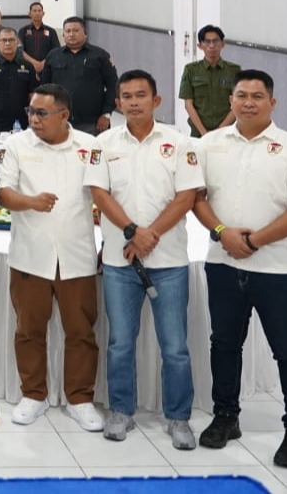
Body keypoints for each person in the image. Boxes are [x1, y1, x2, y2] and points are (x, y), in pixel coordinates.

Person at [193, 70, 287, 468]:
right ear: (230, 100)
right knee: (224, 344)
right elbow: (195, 197)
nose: (249, 102)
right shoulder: (209, 144)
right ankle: (225, 416)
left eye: (257, 96)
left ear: (272, 102)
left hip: (276, 268)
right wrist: (222, 233)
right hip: (223, 263)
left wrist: (254, 240)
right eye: (242, 95)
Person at [84, 71, 202, 448]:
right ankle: (121, 411)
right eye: (127, 96)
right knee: (120, 342)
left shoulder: (179, 142)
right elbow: (100, 194)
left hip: (169, 262)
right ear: (118, 102)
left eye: (141, 95)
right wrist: (133, 231)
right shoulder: (103, 143)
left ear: (157, 100)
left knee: (175, 346)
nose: (134, 102)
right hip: (120, 264)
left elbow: (186, 197)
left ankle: (178, 418)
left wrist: (149, 236)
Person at [0, 83, 103, 432]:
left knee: (81, 330)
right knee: (29, 329)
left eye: (42, 113)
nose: (34, 119)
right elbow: (4, 193)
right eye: (30, 111)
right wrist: (31, 202)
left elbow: (105, 195)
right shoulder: (16, 145)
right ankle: (34, 395)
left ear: (64, 115)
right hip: (30, 254)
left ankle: (80, 399)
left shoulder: (90, 146)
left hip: (77, 254)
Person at [41, 17, 117, 134]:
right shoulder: (53, 56)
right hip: (59, 120)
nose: (71, 34)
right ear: (63, 34)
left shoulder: (100, 55)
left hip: (92, 122)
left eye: (76, 30)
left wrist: (106, 114)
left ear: (85, 33)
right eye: (68, 31)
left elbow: (114, 86)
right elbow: (44, 88)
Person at [178, 24, 241, 137]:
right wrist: (203, 132)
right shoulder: (191, 70)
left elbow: (238, 103)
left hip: (226, 132)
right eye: (207, 42)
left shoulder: (234, 71)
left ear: (223, 44)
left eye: (215, 41)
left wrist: (219, 131)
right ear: (199, 45)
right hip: (199, 133)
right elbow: (188, 104)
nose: (211, 46)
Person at [0, 29, 36, 134]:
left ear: (17, 42)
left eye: (11, 40)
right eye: (4, 40)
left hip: (22, 122)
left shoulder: (28, 67)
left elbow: (33, 97)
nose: (7, 43)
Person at [18, 2, 61, 75]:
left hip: (47, 68)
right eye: (34, 11)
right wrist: (34, 63)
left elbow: (56, 50)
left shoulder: (51, 31)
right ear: (29, 14)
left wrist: (43, 63)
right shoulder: (23, 31)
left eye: (39, 11)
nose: (37, 13)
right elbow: (19, 50)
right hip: (27, 68)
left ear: (43, 13)